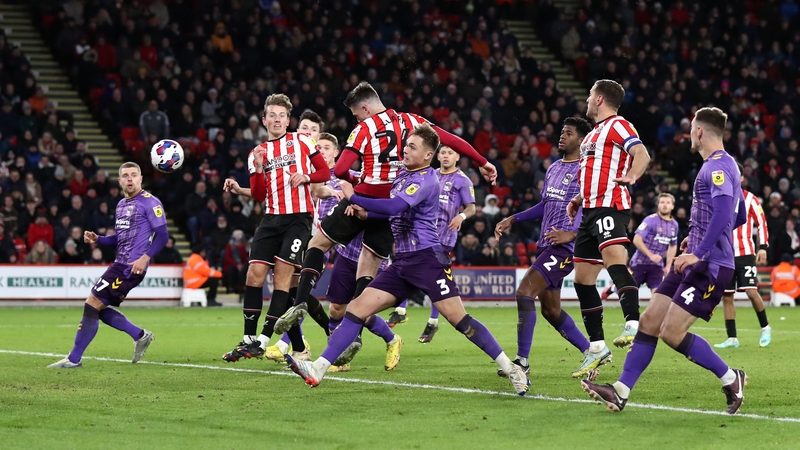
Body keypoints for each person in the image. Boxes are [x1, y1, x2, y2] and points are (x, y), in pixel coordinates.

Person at [284, 123, 530, 395]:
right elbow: (390, 212)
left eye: (412, 146)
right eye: (407, 145)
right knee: (356, 309)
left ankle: (511, 368)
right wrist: (368, 215)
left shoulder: (426, 179)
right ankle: (318, 368)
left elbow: (395, 206)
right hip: (401, 262)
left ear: (427, 155)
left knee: (459, 320)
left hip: (427, 260)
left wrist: (355, 197)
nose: (405, 150)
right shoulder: (402, 175)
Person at [274, 82, 496, 337]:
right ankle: (353, 335)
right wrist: (483, 162)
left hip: (363, 198)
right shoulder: (412, 121)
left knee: (318, 244)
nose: (356, 118)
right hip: (390, 210)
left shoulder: (364, 128)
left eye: (356, 114)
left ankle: (301, 302)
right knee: (367, 267)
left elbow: (344, 168)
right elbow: (450, 139)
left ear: (366, 108)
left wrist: (357, 185)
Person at [580, 107, 749, 415]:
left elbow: (727, 215)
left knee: (671, 332)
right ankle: (620, 391)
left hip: (709, 266)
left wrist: (700, 250)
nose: (689, 135)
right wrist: (696, 240)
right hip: (693, 260)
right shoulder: (724, 165)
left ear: (699, 131)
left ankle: (731, 378)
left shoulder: (717, 167)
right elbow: (740, 216)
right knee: (649, 322)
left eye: (691, 129)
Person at [220, 94, 330, 362]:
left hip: (299, 219)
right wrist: (257, 169)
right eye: (272, 115)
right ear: (264, 120)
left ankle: (263, 340)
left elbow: (324, 172)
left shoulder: (302, 141)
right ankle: (247, 340)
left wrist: (307, 176)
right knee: (254, 275)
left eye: (282, 115)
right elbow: (259, 194)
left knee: (281, 279)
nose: (277, 119)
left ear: (288, 120)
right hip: (270, 219)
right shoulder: (257, 153)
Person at [494, 117, 594, 377]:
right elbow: (544, 206)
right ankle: (592, 352)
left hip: (564, 249)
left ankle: (522, 363)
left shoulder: (587, 170)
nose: (562, 136)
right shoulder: (554, 168)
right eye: (562, 131)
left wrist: (572, 235)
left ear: (582, 140)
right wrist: (513, 218)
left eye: (569, 133)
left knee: (524, 292)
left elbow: (592, 207)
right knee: (551, 310)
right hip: (547, 244)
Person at [566, 79, 651, 378]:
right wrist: (578, 198)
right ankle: (598, 347)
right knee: (582, 280)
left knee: (615, 261)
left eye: (590, 95)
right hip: (589, 211)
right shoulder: (592, 135)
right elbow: (593, 170)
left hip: (610, 205)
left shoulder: (619, 125)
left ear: (600, 99)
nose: (587, 99)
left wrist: (631, 176)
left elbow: (642, 154)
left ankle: (633, 324)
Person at [48, 162, 168, 368]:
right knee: (98, 309)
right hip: (119, 264)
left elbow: (163, 235)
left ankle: (73, 359)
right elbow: (120, 238)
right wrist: (98, 239)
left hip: (131, 267)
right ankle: (139, 335)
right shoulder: (121, 204)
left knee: (91, 304)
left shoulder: (150, 202)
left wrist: (145, 258)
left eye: (133, 175)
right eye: (125, 176)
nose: (130, 179)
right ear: (120, 181)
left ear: (141, 179)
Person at [386, 144, 477, 344]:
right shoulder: (429, 175)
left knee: (434, 280)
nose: (445, 156)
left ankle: (433, 321)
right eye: (442, 152)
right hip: (420, 235)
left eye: (449, 153)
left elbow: (472, 207)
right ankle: (401, 310)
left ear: (457, 156)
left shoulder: (462, 180)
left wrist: (461, 216)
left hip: (444, 237)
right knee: (407, 270)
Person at [715, 167, 772, 349]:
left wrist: (762, 247)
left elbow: (762, 223)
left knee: (751, 291)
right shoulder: (719, 198)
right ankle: (732, 338)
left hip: (745, 253)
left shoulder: (750, 199)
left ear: (741, 177)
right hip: (725, 254)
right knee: (727, 295)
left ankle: (765, 327)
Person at [601, 193, 679, 300]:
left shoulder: (674, 225)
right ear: (658, 205)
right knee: (628, 290)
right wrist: (651, 255)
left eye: (668, 202)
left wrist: (669, 265)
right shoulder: (650, 220)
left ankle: (653, 316)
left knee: (658, 295)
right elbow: (637, 239)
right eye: (662, 202)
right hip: (640, 263)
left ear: (672, 206)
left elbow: (673, 245)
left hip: (657, 266)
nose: (665, 205)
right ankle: (613, 287)